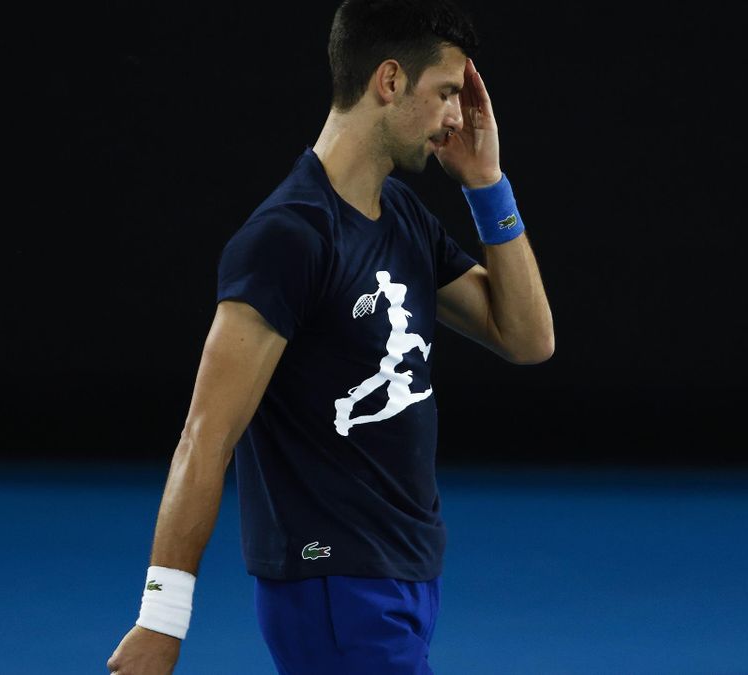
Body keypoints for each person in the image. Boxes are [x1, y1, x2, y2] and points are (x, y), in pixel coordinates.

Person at [107, 0, 553, 672]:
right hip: (336, 586)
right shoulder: (288, 238)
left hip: (402, 576)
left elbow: (526, 337)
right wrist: (161, 619)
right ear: (390, 80)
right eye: (445, 93)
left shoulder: (401, 214)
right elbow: (206, 435)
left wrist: (487, 185)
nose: (456, 119)